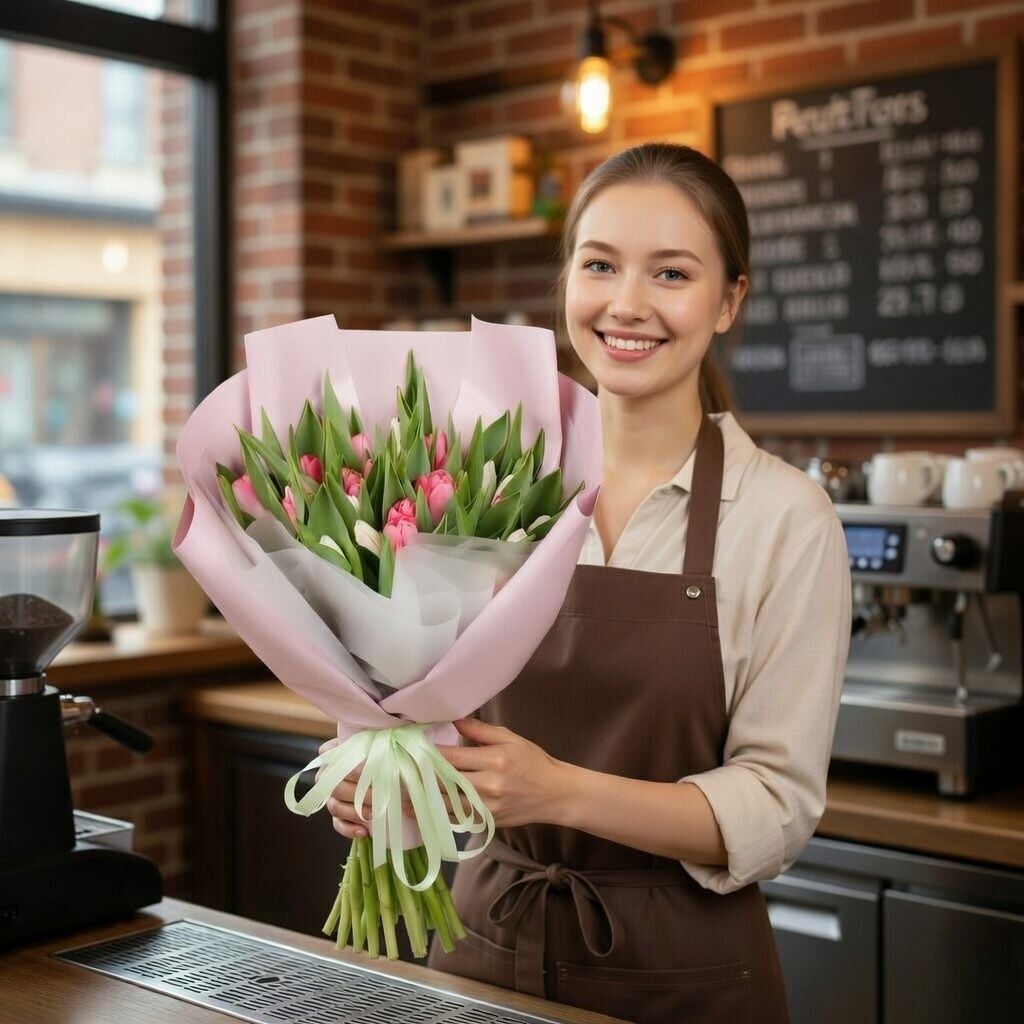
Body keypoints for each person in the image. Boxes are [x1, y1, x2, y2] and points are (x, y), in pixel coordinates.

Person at [327, 142, 851, 1023]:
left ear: (729, 301)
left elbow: (776, 805)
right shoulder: (479, 487)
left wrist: (558, 790)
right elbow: (441, 732)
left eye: (672, 273)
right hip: (482, 952)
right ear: (566, 278)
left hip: (686, 975)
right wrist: (391, 780)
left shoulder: (785, 519)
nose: (627, 304)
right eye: (599, 264)